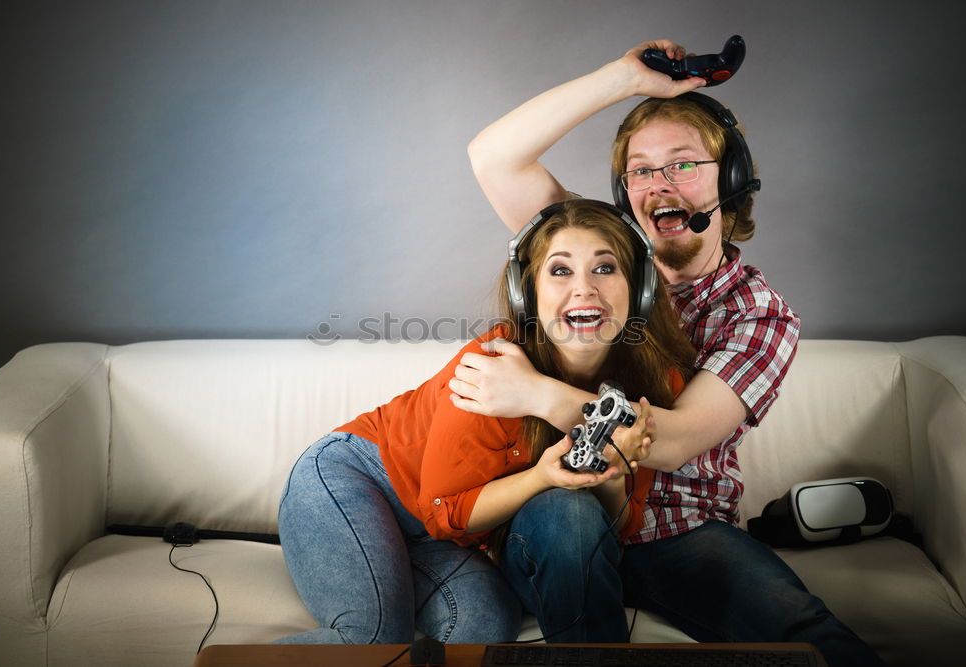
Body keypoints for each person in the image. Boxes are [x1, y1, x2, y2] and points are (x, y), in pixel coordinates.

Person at [456, 39, 884, 665]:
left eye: (682, 164)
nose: (660, 185)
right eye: (641, 170)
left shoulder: (758, 314)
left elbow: (676, 439)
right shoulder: (590, 254)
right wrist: (623, 79)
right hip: (563, 510)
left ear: (730, 179)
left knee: (802, 629)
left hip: (680, 533)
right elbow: (492, 157)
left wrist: (539, 394)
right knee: (567, 520)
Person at [276, 198, 696, 645]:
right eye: (560, 271)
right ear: (527, 293)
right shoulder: (493, 367)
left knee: (480, 633)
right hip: (357, 480)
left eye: (605, 268)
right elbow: (443, 512)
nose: (585, 289)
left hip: (442, 540)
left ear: (640, 287)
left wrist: (614, 472)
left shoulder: (653, 380)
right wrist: (539, 477)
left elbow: (621, 527)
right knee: (373, 637)